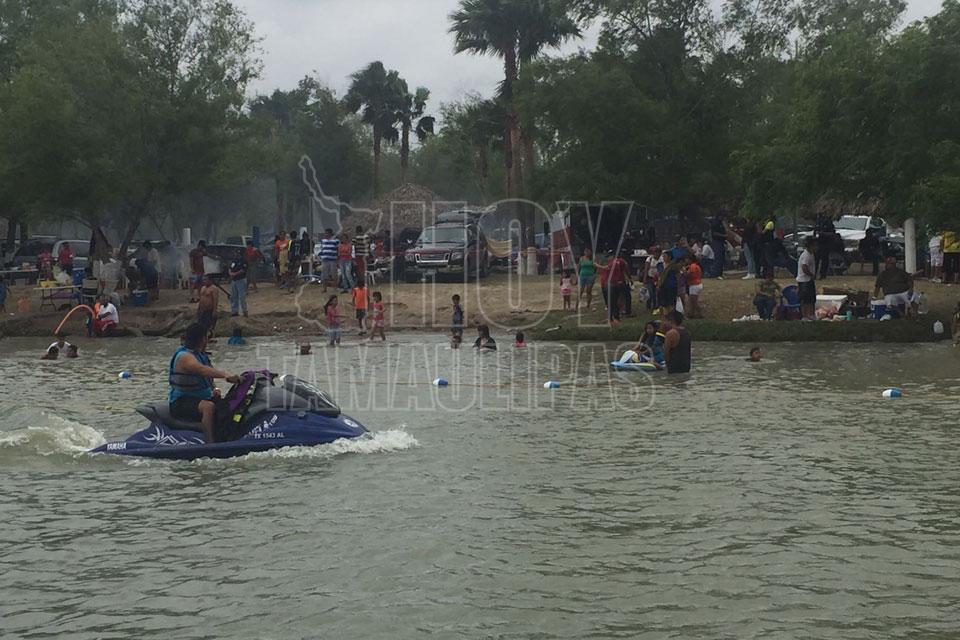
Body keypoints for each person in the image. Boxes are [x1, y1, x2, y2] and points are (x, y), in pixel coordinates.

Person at [168, 322, 241, 443]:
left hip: (200, 398)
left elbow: (208, 377)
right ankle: (210, 443)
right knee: (208, 407)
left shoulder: (201, 355)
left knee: (228, 404)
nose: (208, 340)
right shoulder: (184, 356)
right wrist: (225, 375)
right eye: (207, 337)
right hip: (181, 402)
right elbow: (201, 370)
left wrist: (214, 389)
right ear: (202, 339)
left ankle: (229, 435)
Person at [797, 237, 817, 321]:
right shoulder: (806, 255)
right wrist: (811, 274)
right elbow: (804, 267)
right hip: (804, 281)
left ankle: (812, 314)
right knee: (805, 299)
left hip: (809, 280)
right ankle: (805, 316)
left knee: (812, 299)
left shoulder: (811, 254)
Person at [814, 214, 837, 279]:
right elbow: (815, 232)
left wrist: (823, 234)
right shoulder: (817, 222)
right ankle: (814, 274)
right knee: (816, 259)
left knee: (824, 260)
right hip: (818, 243)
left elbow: (832, 234)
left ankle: (823, 275)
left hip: (826, 244)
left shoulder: (829, 223)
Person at [657, 251, 680, 315]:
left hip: (671, 286)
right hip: (662, 286)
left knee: (671, 302)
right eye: (663, 256)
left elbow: (678, 276)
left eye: (665, 256)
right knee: (663, 303)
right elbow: (659, 276)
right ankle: (665, 315)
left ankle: (671, 315)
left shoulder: (673, 266)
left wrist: (678, 287)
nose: (664, 258)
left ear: (669, 257)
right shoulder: (660, 265)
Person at [228, 250, 248, 317]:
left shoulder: (243, 261)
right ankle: (234, 311)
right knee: (233, 296)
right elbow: (230, 268)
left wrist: (235, 274)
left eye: (237, 253)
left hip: (241, 280)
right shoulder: (234, 261)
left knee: (242, 296)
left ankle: (244, 311)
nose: (236, 254)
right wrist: (231, 273)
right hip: (234, 280)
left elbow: (243, 270)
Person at [684, 255, 703, 319]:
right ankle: (692, 313)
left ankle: (698, 314)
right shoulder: (695, 265)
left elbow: (690, 275)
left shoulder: (692, 266)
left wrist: (684, 272)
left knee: (693, 301)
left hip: (694, 285)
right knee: (692, 301)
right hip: (696, 284)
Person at [709, 214, 728, 278]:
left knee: (722, 258)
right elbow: (714, 233)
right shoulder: (715, 223)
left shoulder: (722, 223)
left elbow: (727, 230)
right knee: (718, 257)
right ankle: (716, 274)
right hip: (717, 241)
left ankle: (720, 273)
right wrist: (723, 235)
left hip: (722, 242)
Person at [643, 247, 662, 311]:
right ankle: (648, 306)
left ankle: (656, 306)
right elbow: (646, 269)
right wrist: (645, 279)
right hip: (650, 278)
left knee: (657, 293)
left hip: (658, 278)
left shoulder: (661, 259)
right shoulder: (649, 259)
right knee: (650, 293)